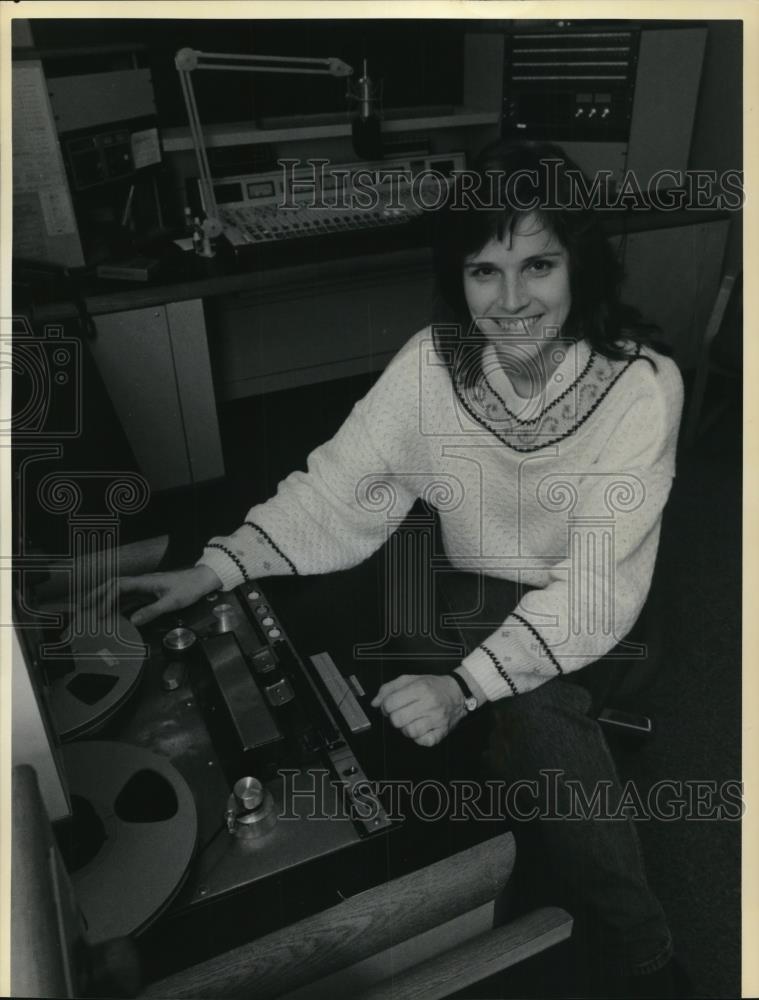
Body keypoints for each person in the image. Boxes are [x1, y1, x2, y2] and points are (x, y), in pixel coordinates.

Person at [113, 141, 687, 997]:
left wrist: (465, 687)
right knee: (343, 631)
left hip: (594, 615)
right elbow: (340, 487)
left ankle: (643, 951)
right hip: (468, 594)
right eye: (483, 272)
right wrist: (216, 569)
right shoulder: (434, 361)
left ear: (582, 266)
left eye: (538, 264)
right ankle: (467, 833)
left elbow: (597, 586)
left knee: (532, 712)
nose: (512, 300)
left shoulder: (642, 386)